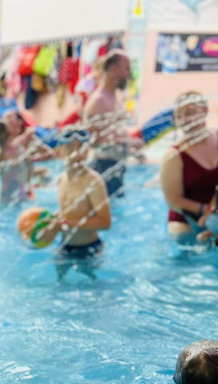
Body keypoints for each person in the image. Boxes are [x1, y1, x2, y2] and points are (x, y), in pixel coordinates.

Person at [160, 91, 218, 238]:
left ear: (205, 111)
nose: (185, 120)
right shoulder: (174, 156)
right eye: (179, 116)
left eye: (190, 112)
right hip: (188, 220)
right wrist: (207, 210)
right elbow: (173, 201)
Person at [37, 128, 112, 257]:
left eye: (81, 148)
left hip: (89, 249)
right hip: (64, 245)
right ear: (59, 153)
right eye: (70, 149)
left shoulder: (93, 181)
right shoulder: (61, 179)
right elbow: (67, 211)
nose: (76, 153)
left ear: (87, 152)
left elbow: (105, 222)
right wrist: (52, 222)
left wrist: (64, 225)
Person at [82, 52, 135, 198]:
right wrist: (127, 143)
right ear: (113, 70)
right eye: (126, 69)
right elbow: (92, 139)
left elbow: (111, 134)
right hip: (102, 167)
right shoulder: (98, 100)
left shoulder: (112, 98)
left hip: (114, 165)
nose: (129, 74)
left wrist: (130, 146)